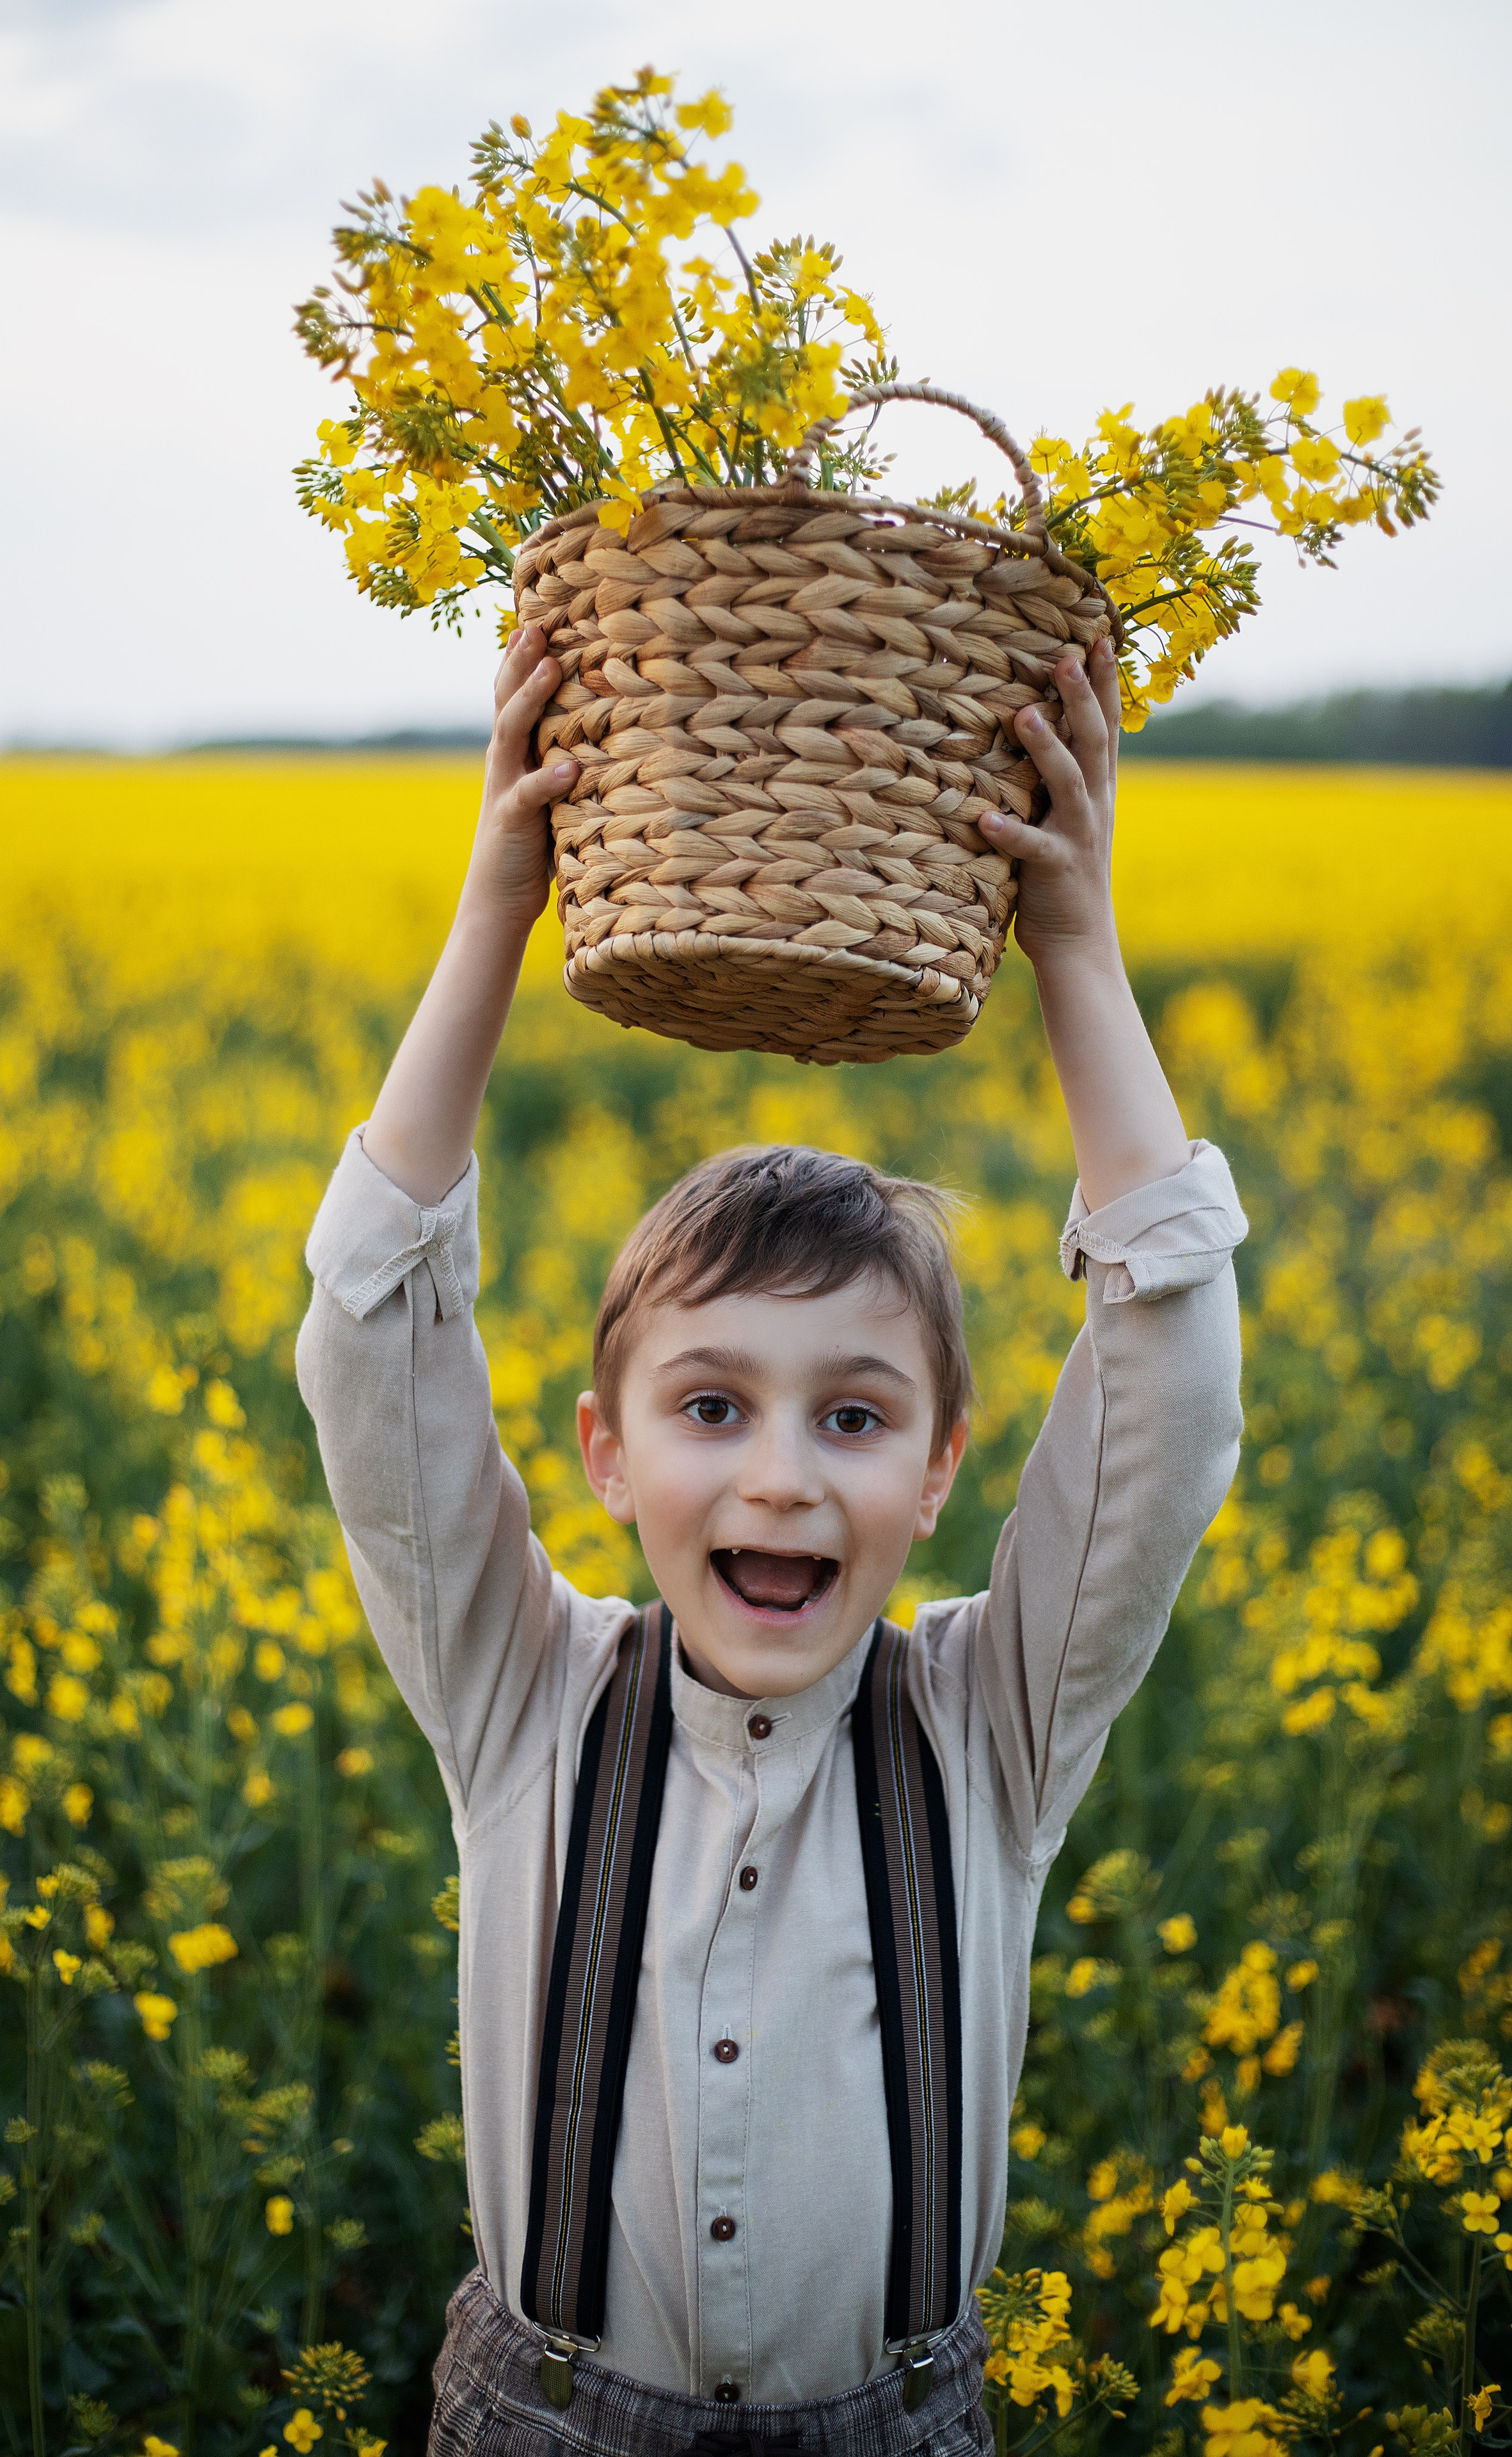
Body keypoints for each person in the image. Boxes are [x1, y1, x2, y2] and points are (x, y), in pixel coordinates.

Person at [296, 622, 1246, 2457]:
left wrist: (1075, 947)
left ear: (949, 1464)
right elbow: (372, 1345)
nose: (786, 1480)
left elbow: (1172, 1388)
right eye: (712, 1407)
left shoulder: (995, 1725)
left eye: (858, 1417)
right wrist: (500, 906)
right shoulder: (520, 1699)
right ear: (603, 1455)